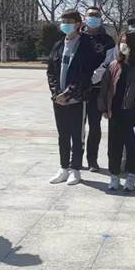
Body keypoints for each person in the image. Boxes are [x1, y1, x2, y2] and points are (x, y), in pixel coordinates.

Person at [97, 31, 135, 192]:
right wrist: (104, 108)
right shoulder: (114, 65)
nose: (123, 45)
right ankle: (114, 176)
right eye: (121, 42)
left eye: (126, 42)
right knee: (114, 146)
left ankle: (131, 176)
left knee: (133, 146)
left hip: (134, 112)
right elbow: (105, 87)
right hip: (116, 112)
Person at [46, 10, 88, 186]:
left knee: (76, 135)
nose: (65, 25)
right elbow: (51, 71)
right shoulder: (58, 45)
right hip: (59, 100)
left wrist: (69, 93)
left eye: (69, 22)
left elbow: (86, 73)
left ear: (78, 24)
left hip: (76, 99)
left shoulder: (86, 45)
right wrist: (56, 93)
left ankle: (75, 169)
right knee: (63, 135)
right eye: (63, 21)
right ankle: (63, 167)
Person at [82, 6, 116, 172]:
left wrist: (94, 77)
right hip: (78, 89)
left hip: (96, 89)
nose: (92, 18)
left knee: (95, 126)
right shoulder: (78, 37)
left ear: (100, 19)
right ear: (85, 17)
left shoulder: (107, 40)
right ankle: (75, 159)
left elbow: (109, 62)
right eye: (90, 15)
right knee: (77, 127)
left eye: (96, 15)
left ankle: (92, 160)